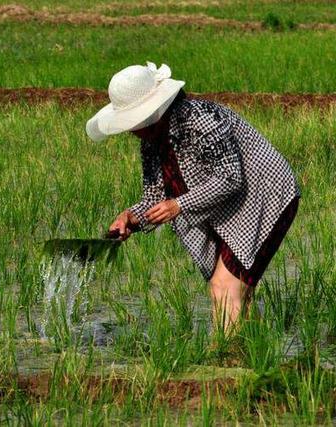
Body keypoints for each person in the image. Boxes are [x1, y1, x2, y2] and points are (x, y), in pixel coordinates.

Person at [86, 62, 301, 334]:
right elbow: (156, 197)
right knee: (230, 291)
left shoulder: (199, 118)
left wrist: (179, 205)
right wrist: (132, 217)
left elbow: (230, 177)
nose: (130, 130)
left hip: (263, 195)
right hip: (222, 206)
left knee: (225, 288)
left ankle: (226, 362)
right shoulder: (151, 143)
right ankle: (250, 359)